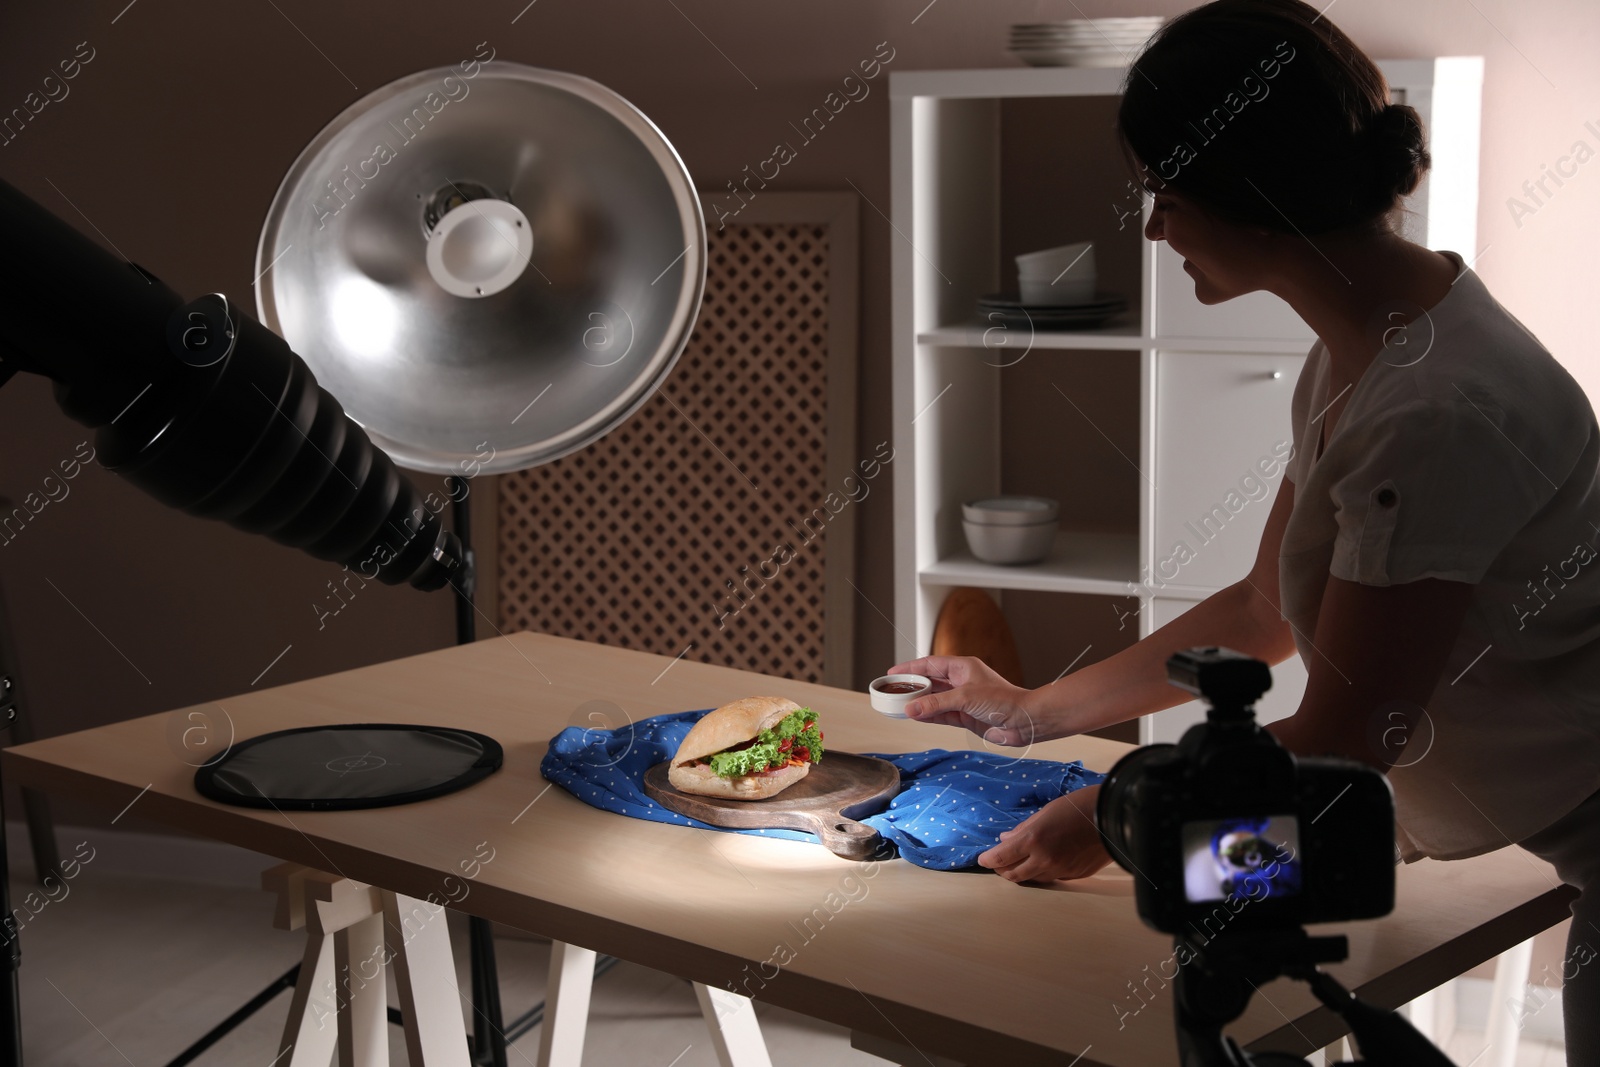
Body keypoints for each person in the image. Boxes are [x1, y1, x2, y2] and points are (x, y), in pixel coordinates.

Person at [889, 0, 1600, 1059]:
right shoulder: (1366, 345)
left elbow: (1352, 743)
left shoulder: (1436, 410)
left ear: (1257, 201)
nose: (1152, 230)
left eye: (1163, 196)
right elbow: (1263, 609)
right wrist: (1026, 713)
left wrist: (1116, 821)